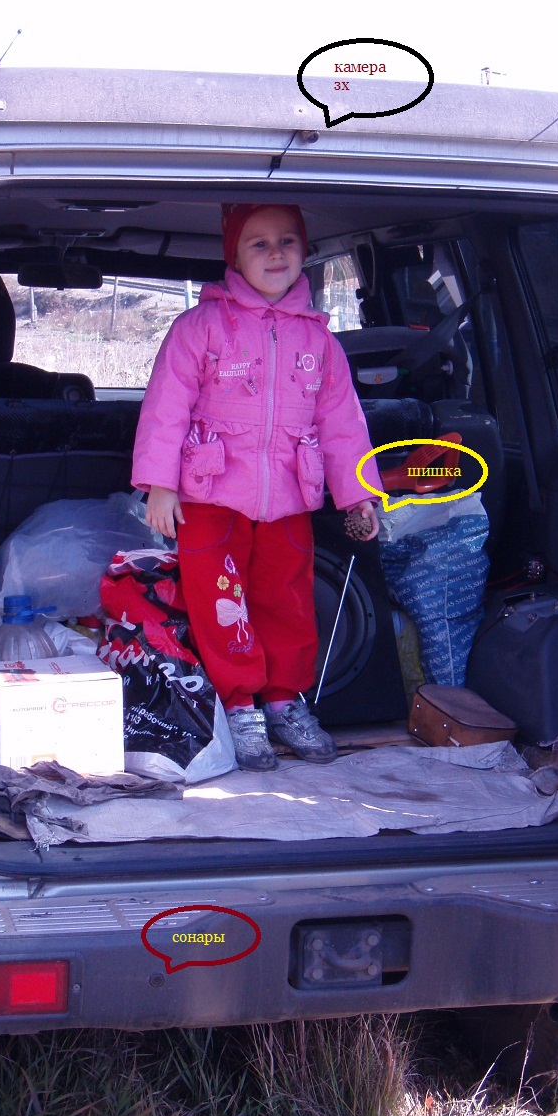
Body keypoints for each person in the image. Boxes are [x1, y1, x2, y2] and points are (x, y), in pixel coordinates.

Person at [131, 203, 381, 771]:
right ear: (235, 256)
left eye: (287, 241)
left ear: (304, 252)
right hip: (208, 499)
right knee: (222, 603)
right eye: (259, 243)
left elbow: (342, 424)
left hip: (288, 501)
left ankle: (284, 699)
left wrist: (358, 493)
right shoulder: (200, 328)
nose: (275, 253)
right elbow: (166, 408)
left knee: (288, 601)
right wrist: (159, 485)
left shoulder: (319, 341)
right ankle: (239, 703)